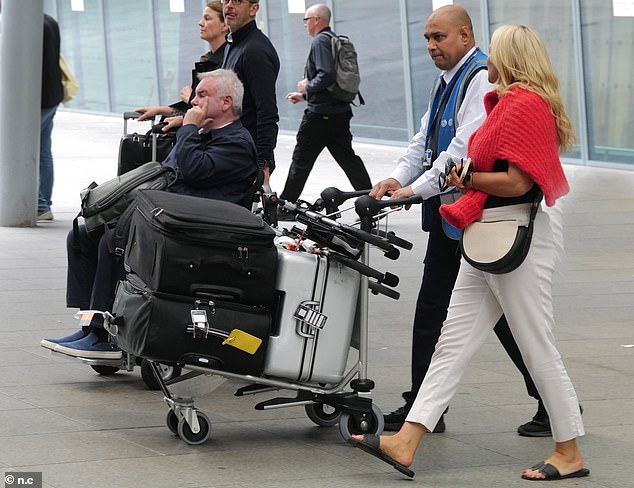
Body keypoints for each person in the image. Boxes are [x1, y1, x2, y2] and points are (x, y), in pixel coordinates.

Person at [351, 24, 589, 482]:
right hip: (489, 234)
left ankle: (568, 450)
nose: (487, 58)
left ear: (510, 57)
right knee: (451, 345)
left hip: (516, 234)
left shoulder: (524, 106)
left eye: (494, 50)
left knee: (537, 345)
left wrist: (467, 179)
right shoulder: (508, 102)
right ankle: (407, 441)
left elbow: (519, 182)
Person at [370, 4, 547, 436]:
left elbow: (461, 152)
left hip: (475, 216)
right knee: (436, 307)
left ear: (465, 36)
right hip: (451, 216)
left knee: (504, 315)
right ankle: (424, 407)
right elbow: (426, 139)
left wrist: (412, 191)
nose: (431, 45)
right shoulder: (447, 81)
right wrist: (398, 176)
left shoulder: (480, 78)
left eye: (439, 37)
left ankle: (550, 401)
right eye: (427, 38)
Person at [40, 70, 258, 359]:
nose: (194, 101)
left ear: (227, 101)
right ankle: (91, 324)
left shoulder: (237, 142)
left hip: (195, 228)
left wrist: (189, 130)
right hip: (169, 215)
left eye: (202, 95)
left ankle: (106, 335)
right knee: (82, 234)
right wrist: (190, 130)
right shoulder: (205, 133)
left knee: (114, 240)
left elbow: (193, 171)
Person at [277, 3, 371, 217]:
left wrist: (306, 87)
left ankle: (286, 206)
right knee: (349, 160)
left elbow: (326, 74)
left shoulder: (320, 41)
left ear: (317, 20)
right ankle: (370, 202)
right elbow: (331, 81)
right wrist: (304, 96)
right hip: (339, 112)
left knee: (300, 160)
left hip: (320, 116)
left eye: (306, 20)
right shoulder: (333, 39)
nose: (305, 25)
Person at [134, 1, 228, 123]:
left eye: (207, 18)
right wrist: (159, 110)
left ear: (224, 25)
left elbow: (212, 110)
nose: (200, 23)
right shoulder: (207, 60)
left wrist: (191, 98)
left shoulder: (227, 61)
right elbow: (192, 109)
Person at [220, 0, 280, 184]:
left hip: (245, 157)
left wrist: (262, 164)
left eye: (237, 1)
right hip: (230, 148)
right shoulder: (233, 43)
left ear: (254, 9)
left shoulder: (255, 50)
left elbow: (267, 112)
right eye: (225, 0)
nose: (229, 5)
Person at [38, 14, 64, 221]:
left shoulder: (27, 25)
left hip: (35, 100)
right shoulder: (49, 20)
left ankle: (40, 204)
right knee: (43, 151)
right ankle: (42, 203)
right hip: (51, 95)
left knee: (22, 150)